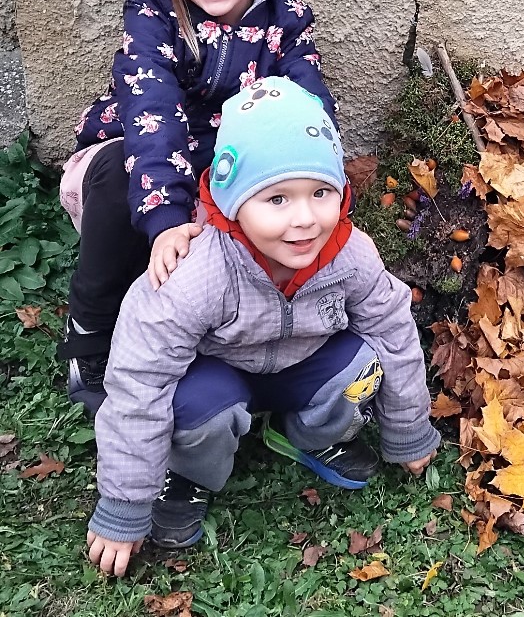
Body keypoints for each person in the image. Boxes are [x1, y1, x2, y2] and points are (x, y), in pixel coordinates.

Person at [85, 77, 441, 578]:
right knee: (193, 406)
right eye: (277, 199)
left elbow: (395, 335)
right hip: (218, 376)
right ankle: (185, 473)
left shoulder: (352, 256)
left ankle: (311, 433)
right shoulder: (197, 273)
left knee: (365, 363)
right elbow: (140, 380)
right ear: (232, 201)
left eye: (321, 192)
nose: (305, 219)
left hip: (300, 362)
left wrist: (408, 429)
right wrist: (124, 503)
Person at [58, 0, 338, 412]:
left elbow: (309, 114)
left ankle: (235, 342)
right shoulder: (154, 12)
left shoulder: (286, 20)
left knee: (259, 203)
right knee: (117, 173)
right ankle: (91, 329)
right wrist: (165, 219)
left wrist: (322, 187)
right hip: (137, 164)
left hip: (222, 172)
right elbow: (152, 114)